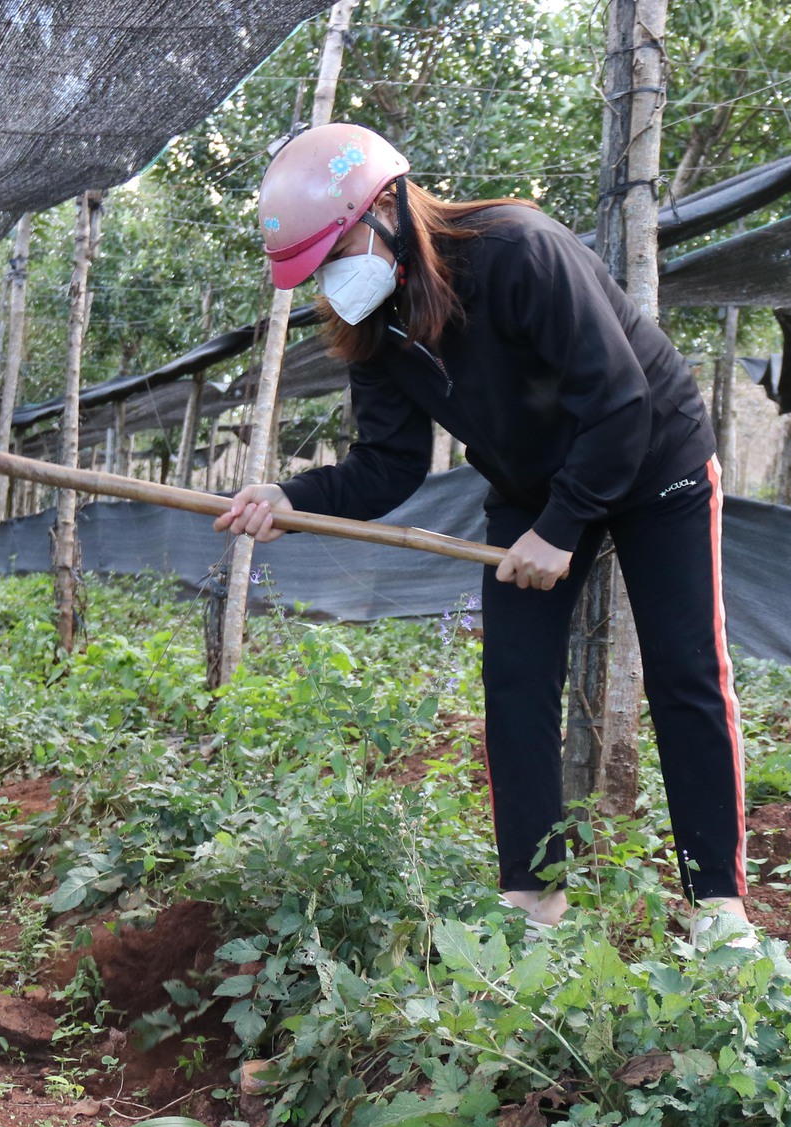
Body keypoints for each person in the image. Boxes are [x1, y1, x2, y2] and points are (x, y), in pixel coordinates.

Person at [214, 122, 752, 949]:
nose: (332, 277)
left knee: (686, 676)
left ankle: (719, 911)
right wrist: (290, 496)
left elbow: (619, 402)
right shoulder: (377, 329)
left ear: (388, 203)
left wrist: (564, 527)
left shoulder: (519, 250)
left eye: (337, 248)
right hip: (526, 483)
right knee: (515, 681)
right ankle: (534, 902)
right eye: (316, 267)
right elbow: (386, 466)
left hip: (653, 457)